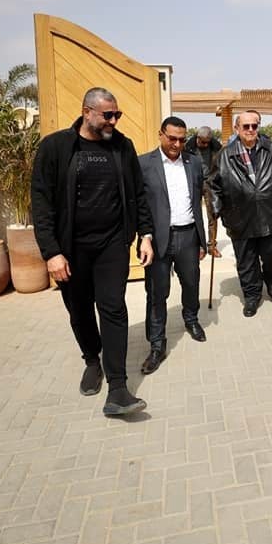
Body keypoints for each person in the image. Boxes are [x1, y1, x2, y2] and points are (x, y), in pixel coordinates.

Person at [31, 87, 154, 416]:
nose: (113, 121)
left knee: (113, 308)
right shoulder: (56, 147)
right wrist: (51, 253)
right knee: (79, 310)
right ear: (87, 112)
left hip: (112, 244)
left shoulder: (122, 146)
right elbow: (41, 204)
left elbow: (138, 194)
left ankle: (118, 388)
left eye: (117, 115)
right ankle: (91, 360)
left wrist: (145, 235)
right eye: (107, 115)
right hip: (71, 249)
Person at [138, 116, 208, 376]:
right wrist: (144, 236)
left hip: (188, 236)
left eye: (181, 139)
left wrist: (203, 240)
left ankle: (191, 320)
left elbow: (199, 202)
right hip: (157, 240)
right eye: (172, 139)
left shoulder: (194, 162)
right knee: (157, 292)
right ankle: (157, 344)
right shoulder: (144, 164)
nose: (177, 144)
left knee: (191, 284)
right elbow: (139, 206)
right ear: (161, 134)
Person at [210, 111, 272, 317]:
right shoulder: (224, 155)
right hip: (240, 217)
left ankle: (271, 278)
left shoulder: (271, 149)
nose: (250, 130)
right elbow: (212, 184)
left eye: (254, 126)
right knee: (246, 261)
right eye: (245, 126)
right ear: (237, 128)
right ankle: (252, 295)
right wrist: (216, 206)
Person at [184, 126, 223, 258]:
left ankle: (212, 246)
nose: (205, 145)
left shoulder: (216, 147)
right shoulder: (188, 147)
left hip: (209, 182)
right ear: (197, 137)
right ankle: (200, 246)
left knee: (212, 215)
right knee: (195, 215)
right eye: (202, 142)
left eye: (207, 142)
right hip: (193, 182)